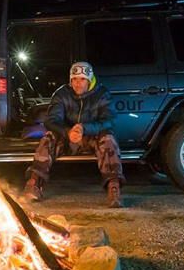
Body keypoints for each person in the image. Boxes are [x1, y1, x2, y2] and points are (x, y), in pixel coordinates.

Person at [24, 61, 125, 207]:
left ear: (89, 80)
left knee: (108, 137)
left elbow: (109, 121)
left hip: (92, 138)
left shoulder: (102, 94)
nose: (78, 83)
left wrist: (85, 128)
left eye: (83, 79)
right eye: (75, 79)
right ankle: (34, 183)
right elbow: (51, 120)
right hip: (69, 139)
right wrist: (68, 131)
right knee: (49, 137)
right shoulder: (62, 93)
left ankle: (114, 189)